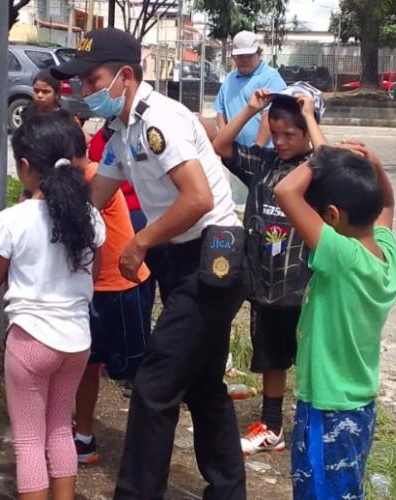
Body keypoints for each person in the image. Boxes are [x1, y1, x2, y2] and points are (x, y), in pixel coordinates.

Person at [52, 28, 246, 499]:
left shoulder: (159, 120)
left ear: (125, 75)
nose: (85, 90)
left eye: (93, 80)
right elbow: (95, 198)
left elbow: (198, 199)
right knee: (202, 384)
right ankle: (228, 490)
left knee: (155, 383)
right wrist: (43, 210)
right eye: (81, 82)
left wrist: (139, 242)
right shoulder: (121, 131)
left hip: (212, 256)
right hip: (179, 257)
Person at [0, 113, 106, 500]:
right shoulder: (90, 217)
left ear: (25, 166)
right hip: (76, 342)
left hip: (30, 342)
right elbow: (95, 271)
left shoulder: (11, 220)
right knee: (59, 429)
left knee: (29, 441)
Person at [274, 145, 396, 499]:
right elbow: (388, 204)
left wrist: (322, 158)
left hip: (327, 408)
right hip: (359, 407)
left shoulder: (341, 256)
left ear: (331, 215)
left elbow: (285, 191)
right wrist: (375, 165)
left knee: (319, 491)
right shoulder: (387, 255)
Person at [212, 83, 327, 455]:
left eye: (289, 134)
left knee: (312, 360)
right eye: (275, 132)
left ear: (307, 132)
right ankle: (272, 426)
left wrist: (308, 115)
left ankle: (314, 429)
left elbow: (329, 166)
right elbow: (221, 146)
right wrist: (250, 110)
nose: (279, 141)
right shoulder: (264, 163)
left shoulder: (314, 171)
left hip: (307, 287)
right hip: (266, 285)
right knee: (271, 358)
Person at [61, 114, 152, 465]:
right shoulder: (74, 179)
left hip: (120, 287)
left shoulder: (92, 179)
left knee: (136, 369)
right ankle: (83, 438)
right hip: (93, 288)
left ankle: (148, 447)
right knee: (88, 364)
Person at [214, 30, 285, 147]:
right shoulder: (229, 79)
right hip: (234, 152)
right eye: (240, 56)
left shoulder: (271, 77)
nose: (244, 60)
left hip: (264, 153)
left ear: (259, 53)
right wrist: (224, 140)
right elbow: (220, 111)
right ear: (234, 57)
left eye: (249, 55)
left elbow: (270, 115)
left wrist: (257, 149)